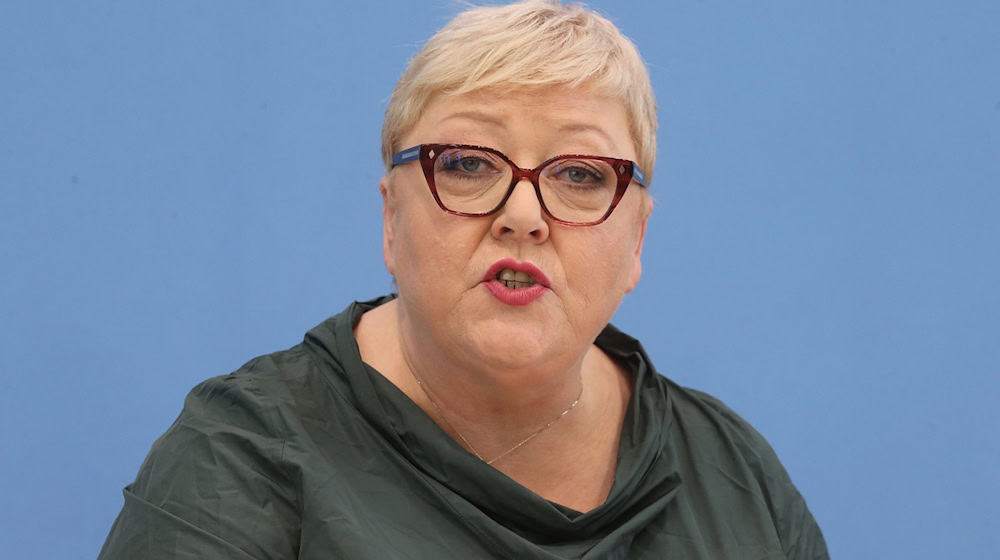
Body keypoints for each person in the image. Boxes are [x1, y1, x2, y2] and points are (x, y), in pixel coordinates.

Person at [99, 1, 828, 558]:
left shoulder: (738, 480)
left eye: (579, 174)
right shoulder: (239, 462)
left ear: (636, 237)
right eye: (468, 164)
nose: (522, 215)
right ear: (392, 219)